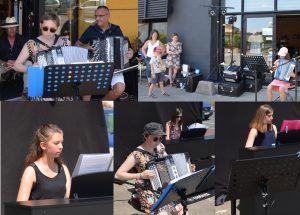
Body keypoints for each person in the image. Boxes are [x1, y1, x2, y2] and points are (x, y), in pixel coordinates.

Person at [115, 122, 185, 215]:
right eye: (155, 138)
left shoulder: (160, 147)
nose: (159, 141)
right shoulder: (137, 154)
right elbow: (118, 174)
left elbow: (169, 162)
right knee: (163, 213)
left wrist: (185, 168)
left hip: (161, 187)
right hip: (145, 190)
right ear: (146, 136)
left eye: (161, 138)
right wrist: (140, 175)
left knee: (181, 210)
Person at [75, 6, 133, 101]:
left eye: (100, 16)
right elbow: (77, 44)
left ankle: (101, 105)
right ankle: (85, 111)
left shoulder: (116, 29)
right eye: (96, 16)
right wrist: (85, 48)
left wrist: (130, 53)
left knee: (120, 88)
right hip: (94, 66)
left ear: (108, 16)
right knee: (86, 89)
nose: (97, 18)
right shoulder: (91, 30)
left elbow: (126, 48)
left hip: (114, 67)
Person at [14, 13, 71, 101]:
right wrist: (30, 68)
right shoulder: (31, 44)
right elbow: (16, 65)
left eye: (52, 29)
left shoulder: (65, 42)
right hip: (39, 87)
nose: (48, 32)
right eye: (45, 28)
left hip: (60, 85)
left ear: (57, 28)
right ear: (41, 25)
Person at [17, 124, 71, 201]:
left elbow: (68, 201)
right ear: (43, 145)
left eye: (61, 142)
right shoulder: (31, 171)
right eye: (56, 143)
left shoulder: (63, 169)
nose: (61, 146)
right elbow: (20, 207)